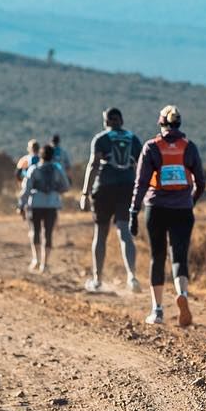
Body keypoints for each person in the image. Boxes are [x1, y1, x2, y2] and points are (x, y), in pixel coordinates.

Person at [129, 105, 205, 326]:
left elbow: (141, 183)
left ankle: (157, 310)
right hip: (183, 208)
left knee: (158, 256)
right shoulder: (189, 147)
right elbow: (201, 182)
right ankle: (182, 293)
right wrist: (191, 200)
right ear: (179, 124)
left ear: (160, 123)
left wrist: (133, 211)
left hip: (156, 208)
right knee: (179, 255)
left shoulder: (151, 147)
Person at [79, 107, 142, 292]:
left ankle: (97, 279)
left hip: (104, 188)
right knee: (124, 232)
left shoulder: (100, 139)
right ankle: (132, 277)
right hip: (127, 188)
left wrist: (85, 193)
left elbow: (93, 165)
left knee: (101, 233)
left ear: (106, 122)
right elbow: (141, 165)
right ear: (121, 120)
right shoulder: (133, 139)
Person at [18, 142, 70, 273]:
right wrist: (55, 190)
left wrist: (21, 204)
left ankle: (36, 259)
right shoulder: (57, 169)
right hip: (52, 204)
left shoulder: (34, 169)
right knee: (48, 234)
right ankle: (45, 264)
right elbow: (66, 186)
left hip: (35, 204)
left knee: (35, 232)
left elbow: (26, 189)